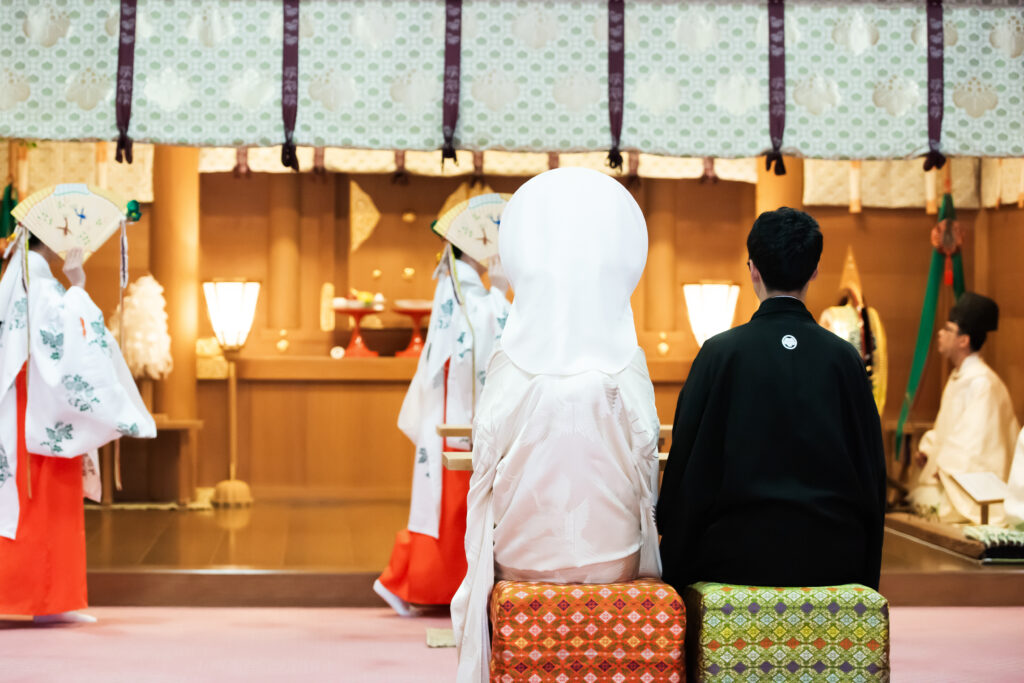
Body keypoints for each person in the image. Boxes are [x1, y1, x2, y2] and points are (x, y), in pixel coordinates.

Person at [451, 167, 661, 682]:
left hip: (523, 555)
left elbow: (484, 464)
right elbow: (647, 465)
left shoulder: (511, 358)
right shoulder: (625, 358)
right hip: (614, 557)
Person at [658, 207, 887, 593]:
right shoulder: (844, 359)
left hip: (733, 558)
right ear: (814, 271)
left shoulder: (719, 354)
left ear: (753, 270)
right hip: (833, 558)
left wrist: (672, 553)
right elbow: (872, 474)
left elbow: (687, 467)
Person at [0, 234, 155, 623]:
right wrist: (79, 286)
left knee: (31, 503)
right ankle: (41, 601)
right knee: (43, 501)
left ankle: (46, 601)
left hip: (28, 404)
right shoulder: (38, 281)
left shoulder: (19, 276)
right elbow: (71, 339)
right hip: (37, 407)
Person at [374, 241, 511, 616]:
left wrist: (495, 293)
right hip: (456, 410)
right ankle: (416, 583)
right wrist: (499, 292)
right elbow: (482, 338)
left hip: (453, 406)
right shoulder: (463, 287)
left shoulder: (462, 285)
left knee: (449, 504)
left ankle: (409, 581)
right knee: (452, 503)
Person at [907, 292, 1019, 525]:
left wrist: (944, 465)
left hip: (974, 487)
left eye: (948, 329)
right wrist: (929, 450)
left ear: (963, 340)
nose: (940, 333)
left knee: (930, 505)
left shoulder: (983, 382)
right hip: (948, 473)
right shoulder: (960, 376)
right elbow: (947, 428)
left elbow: (974, 445)